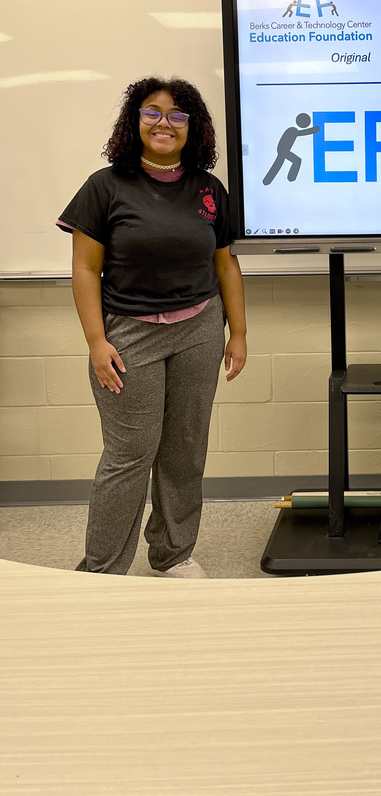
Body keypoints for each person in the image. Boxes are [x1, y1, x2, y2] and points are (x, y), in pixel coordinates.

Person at [57, 77, 247, 577]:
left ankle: (172, 555)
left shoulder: (209, 190)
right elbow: (84, 270)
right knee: (129, 456)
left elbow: (226, 265)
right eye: (153, 112)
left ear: (193, 127)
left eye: (177, 115)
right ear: (135, 121)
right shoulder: (105, 186)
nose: (165, 122)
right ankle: (101, 571)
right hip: (127, 334)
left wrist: (239, 333)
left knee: (185, 451)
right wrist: (97, 342)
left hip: (200, 329)